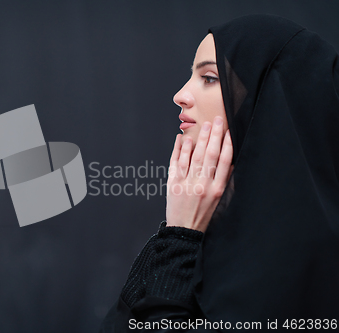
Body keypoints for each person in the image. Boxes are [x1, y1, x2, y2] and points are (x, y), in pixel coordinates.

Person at [100, 14, 339, 332]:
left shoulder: (306, 259)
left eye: (210, 78)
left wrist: (179, 239)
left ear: (267, 94)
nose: (181, 95)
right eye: (191, 76)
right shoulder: (214, 227)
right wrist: (177, 235)